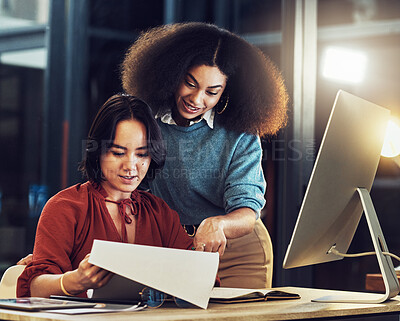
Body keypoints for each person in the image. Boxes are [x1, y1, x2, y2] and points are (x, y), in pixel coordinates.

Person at [121, 22, 289, 288]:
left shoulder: (240, 133)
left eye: (212, 92)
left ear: (226, 92)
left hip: (235, 250)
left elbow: (247, 211)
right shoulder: (145, 118)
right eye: (190, 83)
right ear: (172, 73)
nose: (197, 99)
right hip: (171, 246)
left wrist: (219, 223)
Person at [17, 94, 196, 298]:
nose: (130, 166)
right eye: (118, 153)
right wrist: (73, 281)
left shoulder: (160, 212)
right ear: (98, 151)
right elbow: (34, 288)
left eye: (142, 154)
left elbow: (196, 276)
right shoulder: (64, 207)